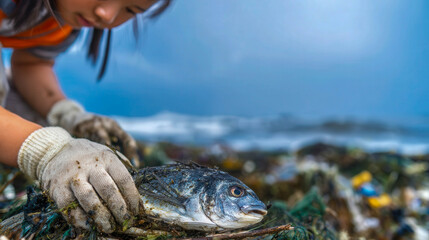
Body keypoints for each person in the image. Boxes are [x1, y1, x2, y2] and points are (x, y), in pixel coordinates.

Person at [0, 0, 170, 234]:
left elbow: (31, 62)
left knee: (34, 115)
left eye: (131, 10)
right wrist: (46, 151)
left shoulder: (61, 13)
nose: (107, 15)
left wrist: (67, 115)